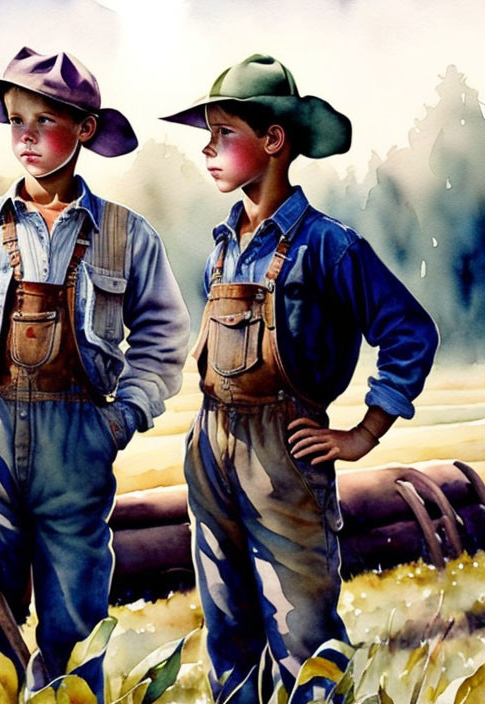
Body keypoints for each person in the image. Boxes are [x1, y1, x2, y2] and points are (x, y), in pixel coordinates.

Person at [0, 47, 190, 702]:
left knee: (75, 627)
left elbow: (165, 338)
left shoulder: (125, 236)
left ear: (86, 129)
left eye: (45, 120)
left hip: (77, 453)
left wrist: (121, 419)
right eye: (14, 120)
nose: (26, 137)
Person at [160, 54, 439, 703]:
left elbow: (409, 332)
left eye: (223, 133)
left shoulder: (327, 245)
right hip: (211, 448)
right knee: (228, 635)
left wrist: (364, 432)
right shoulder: (223, 246)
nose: (207, 149)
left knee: (302, 639)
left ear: (275, 140)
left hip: (282, 457)